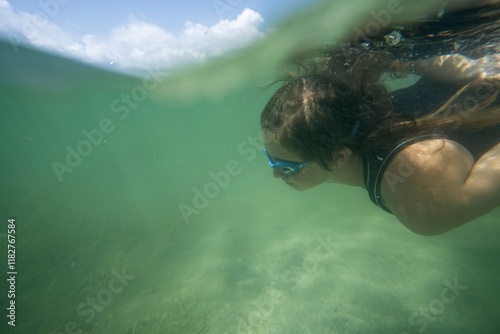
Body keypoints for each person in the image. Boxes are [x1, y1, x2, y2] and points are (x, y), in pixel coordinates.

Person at [260, 46, 500, 236]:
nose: (275, 174)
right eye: (269, 157)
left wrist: (484, 70)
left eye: (286, 167)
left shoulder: (422, 205)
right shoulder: (351, 113)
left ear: (338, 157)